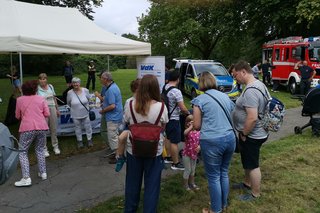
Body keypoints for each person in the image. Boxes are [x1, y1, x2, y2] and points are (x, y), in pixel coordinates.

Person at [123, 74, 168, 212]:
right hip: (154, 151)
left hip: (133, 150)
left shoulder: (130, 104)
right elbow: (162, 128)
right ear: (155, 88)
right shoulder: (161, 107)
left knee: (132, 185)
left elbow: (127, 123)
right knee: (152, 187)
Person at [192, 72, 236, 213]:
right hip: (229, 137)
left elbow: (197, 125)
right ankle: (223, 205)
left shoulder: (199, 100)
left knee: (213, 176)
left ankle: (215, 210)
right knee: (224, 172)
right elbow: (231, 113)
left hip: (212, 141)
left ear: (201, 83)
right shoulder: (225, 96)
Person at [232, 60, 269, 201]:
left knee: (253, 164)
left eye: (236, 75)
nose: (235, 79)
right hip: (255, 132)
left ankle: (255, 193)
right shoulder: (259, 84)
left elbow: (252, 118)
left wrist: (243, 133)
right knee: (247, 160)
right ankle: (247, 183)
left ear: (243, 72)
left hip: (252, 134)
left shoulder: (251, 91)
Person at [14, 80, 50, 187]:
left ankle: (26, 178)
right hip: (42, 127)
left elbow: (17, 116)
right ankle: (43, 173)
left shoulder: (19, 100)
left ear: (24, 89)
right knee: (40, 149)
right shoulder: (41, 98)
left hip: (27, 128)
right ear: (35, 89)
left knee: (22, 151)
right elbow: (47, 113)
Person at [164, 69, 190, 170]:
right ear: (178, 79)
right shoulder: (176, 91)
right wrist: (188, 113)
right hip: (174, 118)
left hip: (167, 117)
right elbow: (182, 107)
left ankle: (168, 156)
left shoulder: (165, 87)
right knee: (174, 142)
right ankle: (176, 163)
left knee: (168, 138)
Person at [115, 78, 141, 172]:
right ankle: (120, 157)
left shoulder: (146, 101)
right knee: (121, 138)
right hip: (131, 125)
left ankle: (162, 158)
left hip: (140, 125)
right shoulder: (129, 101)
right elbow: (126, 118)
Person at [99, 71, 123, 164]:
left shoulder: (111, 89)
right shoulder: (112, 87)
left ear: (106, 79)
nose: (100, 79)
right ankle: (117, 153)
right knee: (115, 135)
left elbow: (112, 106)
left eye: (101, 78)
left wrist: (103, 110)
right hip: (115, 115)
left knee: (113, 136)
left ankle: (118, 157)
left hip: (113, 116)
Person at [37, 73, 61, 157]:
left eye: (44, 79)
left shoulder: (51, 86)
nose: (42, 80)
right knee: (43, 130)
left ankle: (55, 146)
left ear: (46, 79)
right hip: (42, 110)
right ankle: (44, 148)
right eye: (41, 79)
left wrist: (57, 109)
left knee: (53, 128)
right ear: (38, 80)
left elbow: (54, 98)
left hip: (52, 108)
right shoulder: (37, 89)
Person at [67, 77, 93, 148]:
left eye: (77, 82)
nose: (75, 84)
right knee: (77, 127)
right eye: (74, 83)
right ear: (72, 84)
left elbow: (89, 99)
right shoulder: (69, 93)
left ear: (80, 83)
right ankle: (79, 141)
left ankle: (89, 139)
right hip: (75, 113)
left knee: (88, 126)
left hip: (85, 113)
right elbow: (68, 103)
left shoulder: (85, 90)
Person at [182, 114, 200, 191]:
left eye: (192, 121)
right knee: (188, 170)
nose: (190, 123)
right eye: (188, 122)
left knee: (193, 169)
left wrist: (200, 146)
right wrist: (190, 127)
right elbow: (185, 133)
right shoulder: (187, 131)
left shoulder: (198, 131)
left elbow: (201, 140)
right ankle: (185, 185)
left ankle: (192, 183)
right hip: (186, 154)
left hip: (194, 154)